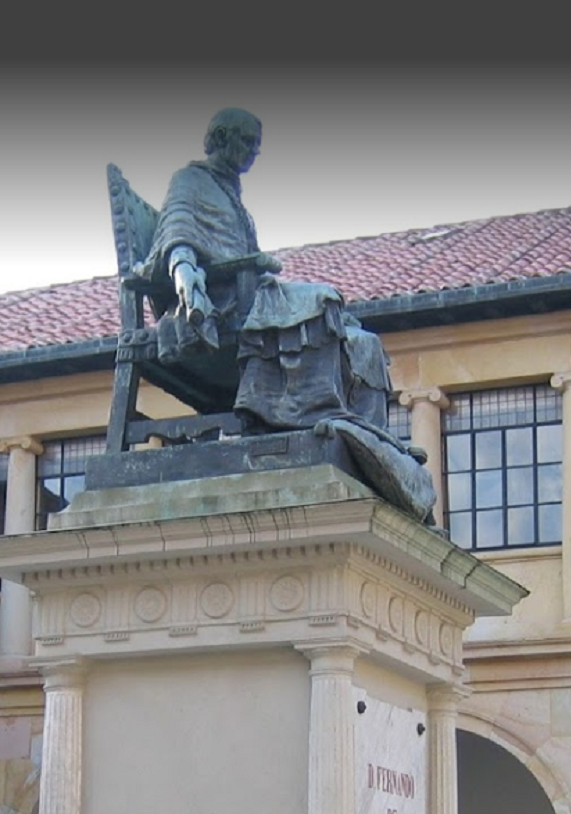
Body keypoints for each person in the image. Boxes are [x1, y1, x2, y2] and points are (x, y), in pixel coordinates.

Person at [131, 108, 436, 522]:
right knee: (324, 301)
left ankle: (369, 439)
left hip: (249, 298)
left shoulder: (230, 193)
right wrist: (187, 280)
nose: (253, 153)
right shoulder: (191, 181)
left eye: (257, 146)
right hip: (218, 310)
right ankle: (320, 413)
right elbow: (177, 241)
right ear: (221, 137)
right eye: (248, 143)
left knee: (363, 342)